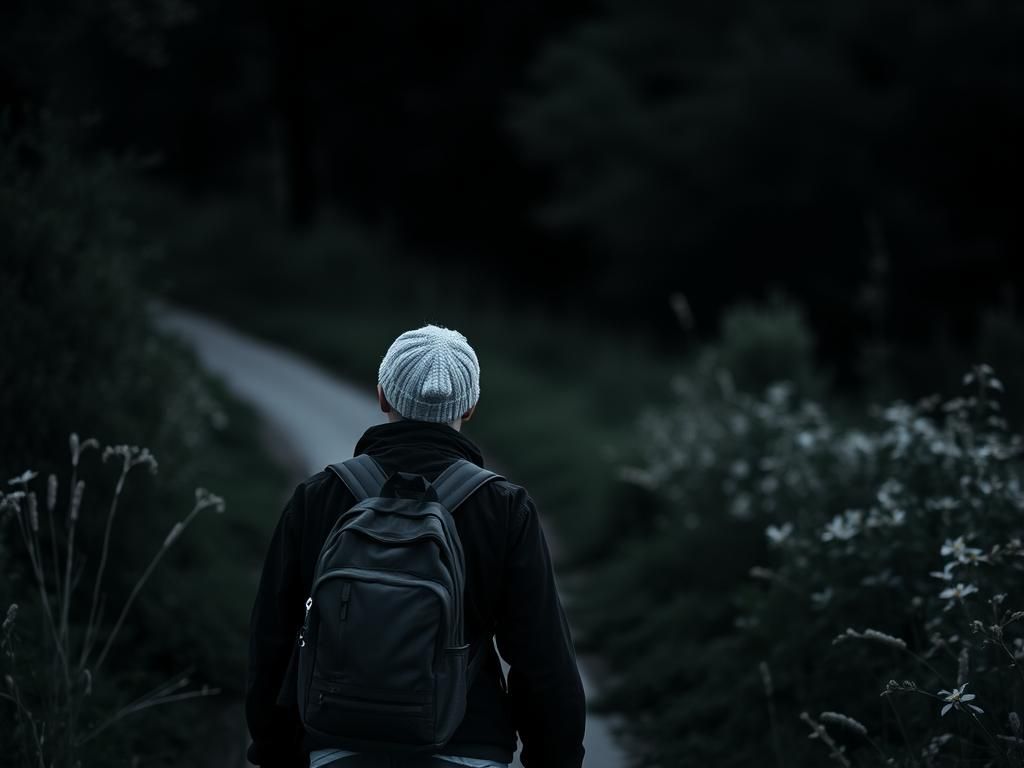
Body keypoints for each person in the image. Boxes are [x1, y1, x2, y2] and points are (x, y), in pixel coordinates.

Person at [246, 325, 587, 768]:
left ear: (382, 396)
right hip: (469, 745)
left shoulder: (319, 496)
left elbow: (272, 640)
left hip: (336, 744)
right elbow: (542, 660)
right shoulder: (504, 507)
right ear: (470, 406)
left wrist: (275, 749)